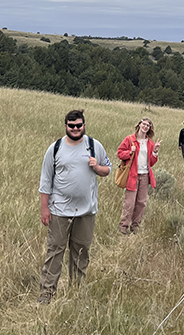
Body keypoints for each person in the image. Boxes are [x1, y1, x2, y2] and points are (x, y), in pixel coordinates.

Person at [38, 110, 111, 304]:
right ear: (66, 126)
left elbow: (107, 169)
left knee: (81, 251)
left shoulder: (94, 146)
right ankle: (47, 294)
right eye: (72, 126)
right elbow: (45, 180)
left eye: (79, 125)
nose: (76, 129)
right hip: (59, 210)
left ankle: (77, 292)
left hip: (86, 211)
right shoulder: (55, 148)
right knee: (55, 251)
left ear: (84, 125)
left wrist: (97, 167)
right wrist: (44, 209)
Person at [116, 118, 161, 235]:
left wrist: (155, 152)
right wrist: (129, 152)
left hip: (145, 175)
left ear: (149, 128)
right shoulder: (129, 139)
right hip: (132, 175)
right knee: (129, 202)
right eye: (144, 124)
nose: (145, 126)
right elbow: (119, 153)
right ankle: (123, 227)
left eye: (148, 125)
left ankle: (135, 227)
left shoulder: (150, 143)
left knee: (141, 202)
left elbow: (150, 162)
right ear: (139, 125)